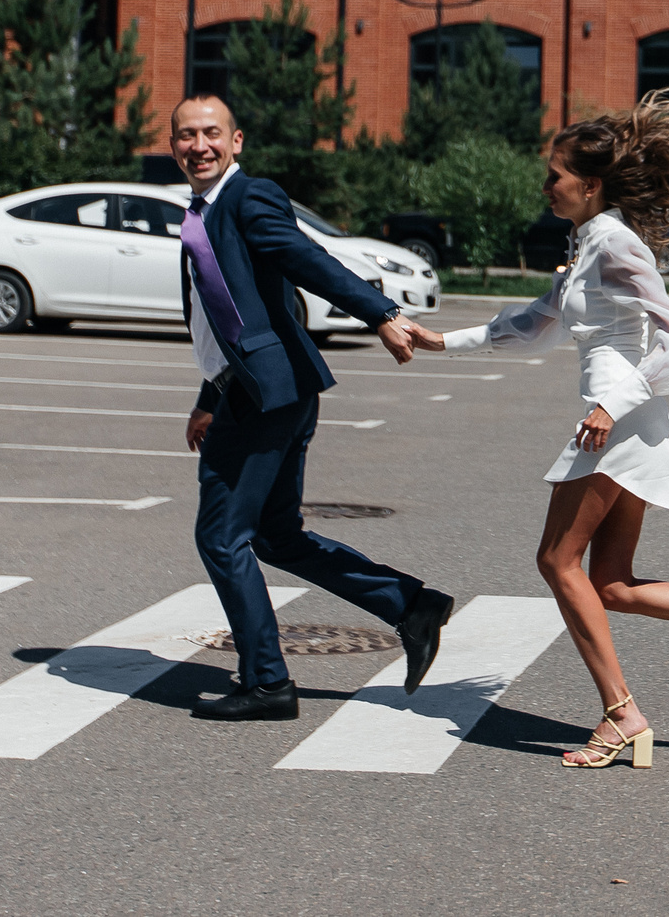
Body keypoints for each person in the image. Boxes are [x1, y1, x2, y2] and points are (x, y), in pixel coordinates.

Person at [410, 94, 669, 770]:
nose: (547, 185)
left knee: (556, 560)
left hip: (616, 419)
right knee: (612, 583)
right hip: (625, 418)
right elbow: (536, 320)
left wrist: (612, 403)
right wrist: (442, 342)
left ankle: (622, 714)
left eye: (555, 174)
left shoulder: (613, 240)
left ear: (590, 183)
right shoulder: (589, 242)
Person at [171, 92, 456, 722]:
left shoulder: (249, 197)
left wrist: (381, 313)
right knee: (274, 536)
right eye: (187, 135)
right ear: (174, 146)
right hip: (263, 389)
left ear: (236, 140)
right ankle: (409, 606)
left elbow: (307, 260)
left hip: (266, 396)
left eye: (211, 133)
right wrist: (207, 394)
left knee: (222, 538)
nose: (200, 145)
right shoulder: (203, 212)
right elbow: (225, 313)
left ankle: (267, 682)